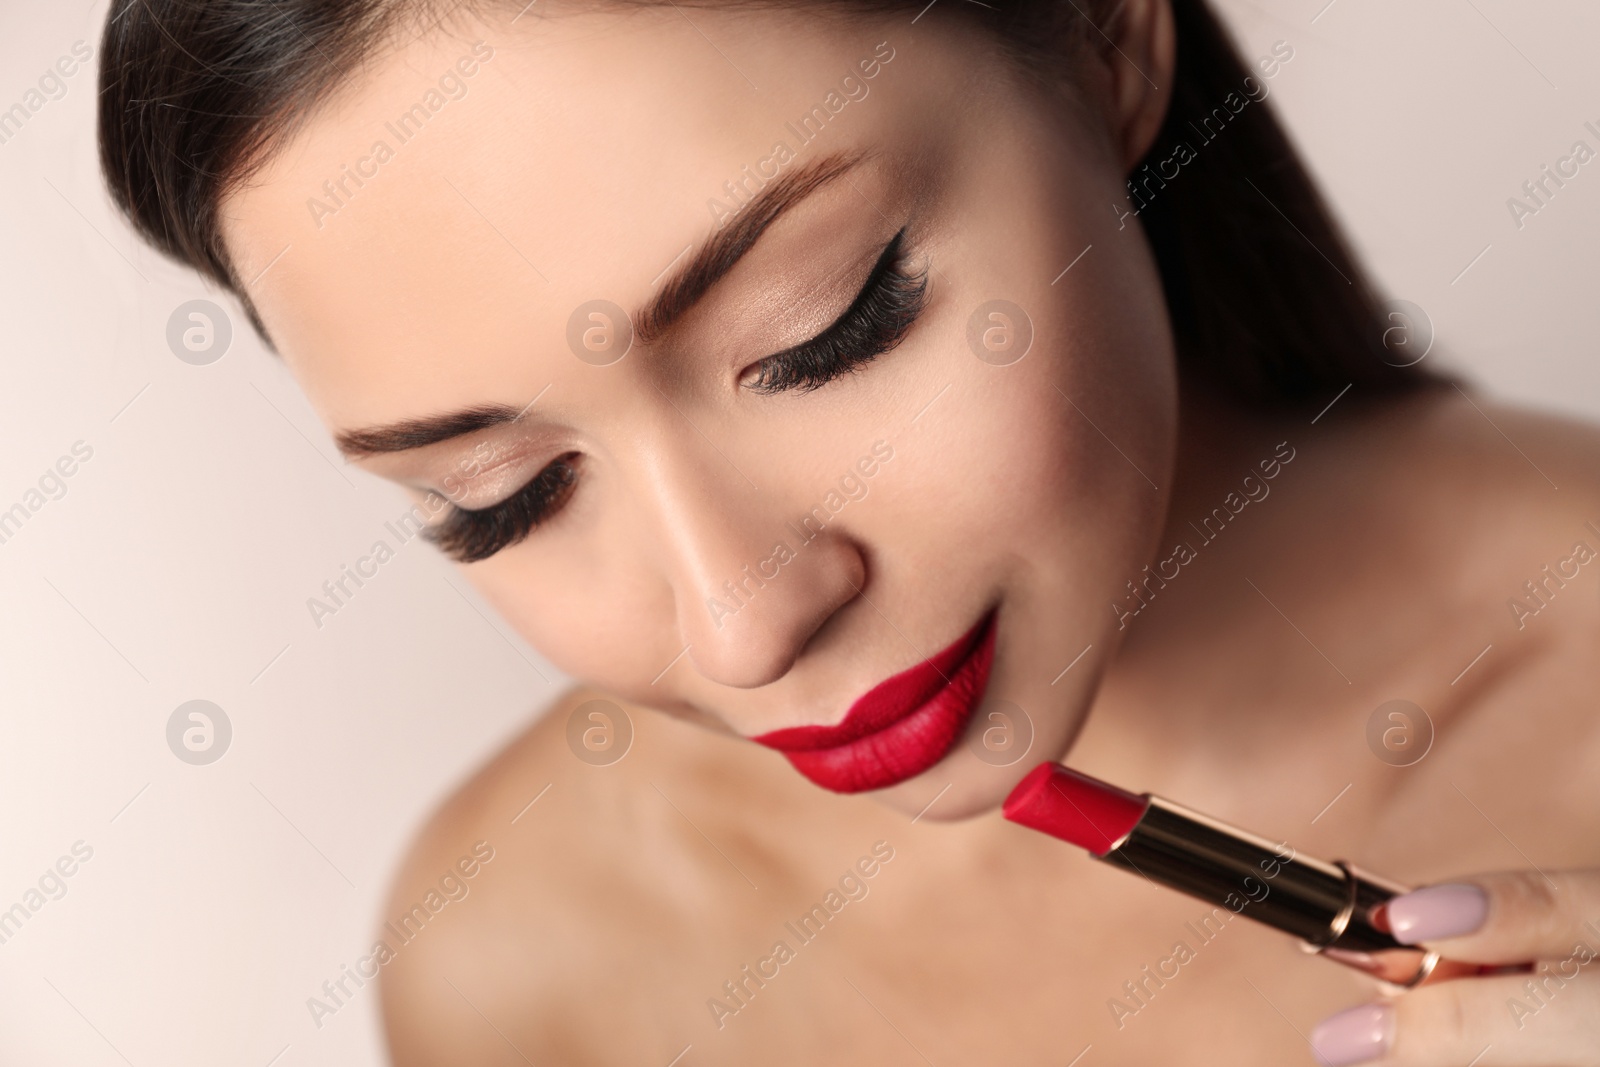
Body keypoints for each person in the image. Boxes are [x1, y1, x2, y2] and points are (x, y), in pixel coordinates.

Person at [97, 0, 1600, 1063]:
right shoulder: (520, 956)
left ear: (1101, 37)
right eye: (505, 497)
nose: (743, 623)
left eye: (828, 329)